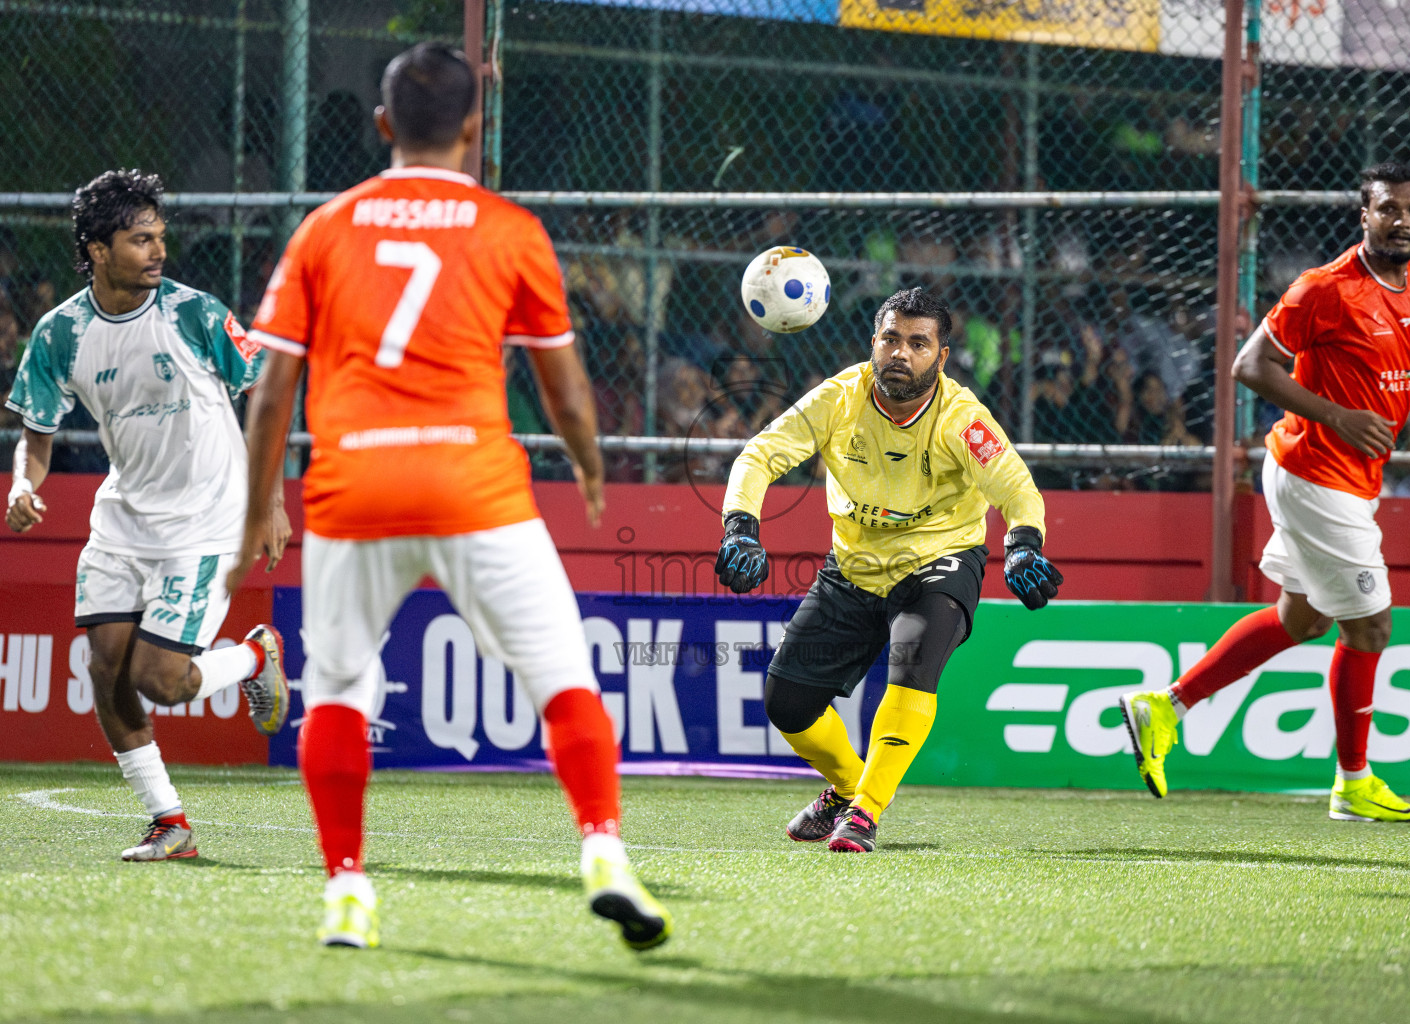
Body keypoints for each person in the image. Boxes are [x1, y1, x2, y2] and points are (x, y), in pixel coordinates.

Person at [229, 42, 671, 951]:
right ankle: (603, 852)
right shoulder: (510, 229)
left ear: (383, 124)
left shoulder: (326, 227)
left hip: (357, 493)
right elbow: (565, 390)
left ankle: (347, 891)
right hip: (478, 491)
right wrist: (588, 464)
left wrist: (255, 514)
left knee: (343, 690)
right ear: (474, 128)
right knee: (564, 684)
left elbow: (272, 389)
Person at [1119, 162, 1410, 822]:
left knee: (1302, 618)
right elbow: (1249, 366)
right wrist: (1335, 414)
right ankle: (1353, 783)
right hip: (1314, 473)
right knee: (1371, 625)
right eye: (1388, 208)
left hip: (1351, 476)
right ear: (1364, 215)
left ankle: (1164, 706)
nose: (1402, 221)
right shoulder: (1324, 289)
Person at [3, 169, 290, 861]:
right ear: (98, 250)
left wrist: (270, 497)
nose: (157, 250)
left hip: (206, 521)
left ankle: (256, 655)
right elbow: (36, 436)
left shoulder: (194, 313)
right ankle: (170, 822)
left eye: (159, 236)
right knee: (105, 669)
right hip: (123, 522)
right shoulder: (60, 333)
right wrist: (21, 484)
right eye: (140, 239)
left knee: (159, 681)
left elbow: (270, 393)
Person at [715, 287, 1064, 853]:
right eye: (891, 339)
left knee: (911, 664)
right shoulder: (838, 398)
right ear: (874, 343)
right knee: (786, 703)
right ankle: (850, 789)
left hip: (939, 560)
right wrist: (740, 525)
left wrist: (1023, 545)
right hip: (851, 567)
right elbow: (759, 454)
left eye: (918, 344)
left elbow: (1016, 487)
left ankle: (866, 813)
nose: (901, 353)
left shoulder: (961, 418)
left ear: (942, 357)